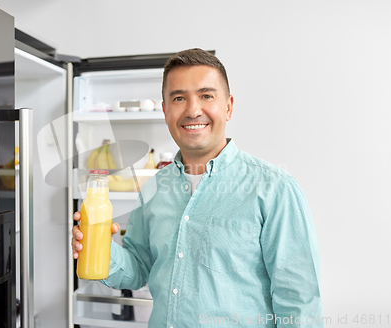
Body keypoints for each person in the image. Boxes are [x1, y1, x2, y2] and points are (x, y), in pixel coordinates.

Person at [72, 49, 323, 328]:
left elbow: (298, 304)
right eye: (179, 98)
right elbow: (138, 269)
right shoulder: (155, 186)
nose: (192, 110)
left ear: (228, 106)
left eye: (206, 95)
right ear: (165, 110)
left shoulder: (275, 189)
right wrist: (100, 248)